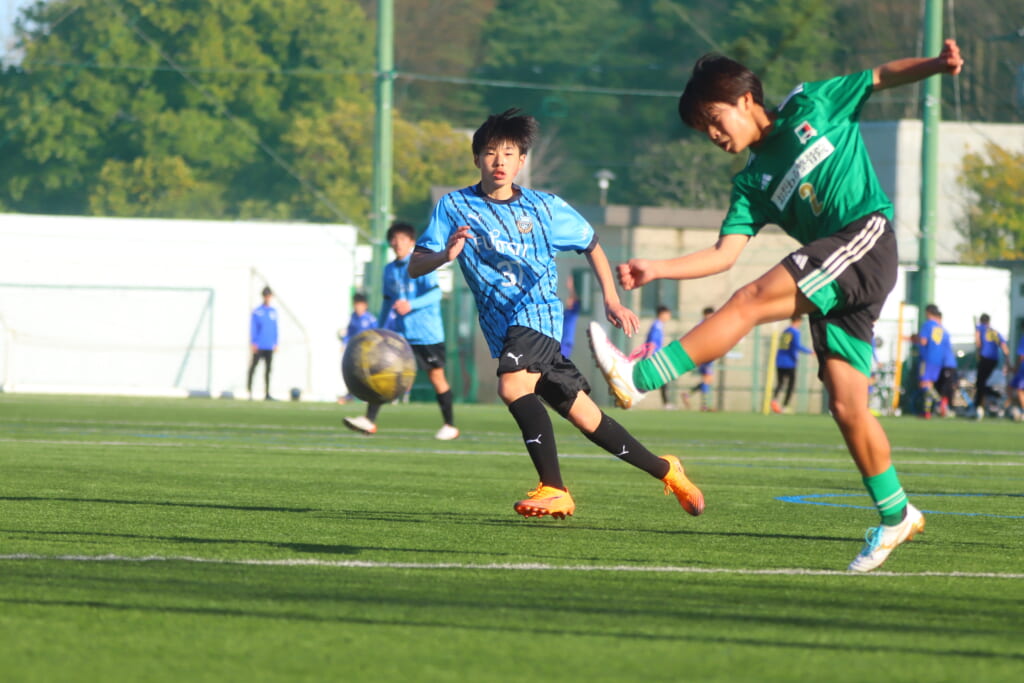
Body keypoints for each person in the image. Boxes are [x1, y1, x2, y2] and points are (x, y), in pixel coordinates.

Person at [588, 40, 964, 572]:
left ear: (745, 99)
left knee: (750, 299)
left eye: (715, 120)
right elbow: (723, 255)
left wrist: (937, 66)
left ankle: (641, 377)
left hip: (864, 240)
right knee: (847, 407)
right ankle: (896, 513)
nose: (714, 135)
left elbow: (880, 76)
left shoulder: (813, 103)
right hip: (835, 275)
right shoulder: (751, 183)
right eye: (703, 130)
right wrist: (659, 268)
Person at [409, 108, 704, 520]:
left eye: (508, 154)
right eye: (491, 152)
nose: (499, 161)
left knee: (513, 387)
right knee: (587, 417)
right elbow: (415, 264)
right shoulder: (454, 206)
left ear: (521, 161)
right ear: (476, 158)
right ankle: (667, 470)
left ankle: (554, 488)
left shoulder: (545, 208)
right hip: (504, 329)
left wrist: (612, 299)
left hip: (537, 316)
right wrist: (445, 254)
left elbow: (592, 244)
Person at [343, 222, 460, 440]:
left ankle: (450, 425)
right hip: (401, 334)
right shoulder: (389, 270)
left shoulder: (422, 265)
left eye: (403, 239)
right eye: (394, 239)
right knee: (382, 369)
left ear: (412, 242)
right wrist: (379, 330)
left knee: (437, 377)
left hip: (427, 334)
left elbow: (436, 294)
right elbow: (388, 301)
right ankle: (369, 420)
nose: (398, 243)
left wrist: (411, 304)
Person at [339, 292, 377, 403]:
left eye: (360, 305)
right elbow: (349, 332)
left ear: (365, 305)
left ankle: (371, 395)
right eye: (356, 305)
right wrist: (344, 343)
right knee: (352, 372)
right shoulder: (353, 317)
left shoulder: (370, 319)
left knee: (367, 374)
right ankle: (350, 395)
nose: (357, 307)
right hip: (355, 350)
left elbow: (376, 334)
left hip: (367, 351)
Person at [771, 314, 812, 413]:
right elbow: (797, 346)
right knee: (791, 385)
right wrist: (810, 351)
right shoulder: (795, 332)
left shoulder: (785, 331)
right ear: (798, 321)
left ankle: (774, 400)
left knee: (780, 383)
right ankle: (784, 406)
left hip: (780, 361)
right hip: (790, 362)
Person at [913, 304, 947, 419]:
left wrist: (915, 339)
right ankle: (926, 411)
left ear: (928, 312)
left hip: (927, 358)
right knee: (929, 385)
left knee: (923, 384)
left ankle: (940, 402)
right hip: (938, 360)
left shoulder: (928, 325)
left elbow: (923, 341)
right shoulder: (940, 327)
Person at [974, 313, 1010, 415]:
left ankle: (979, 406)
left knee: (980, 383)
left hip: (985, 358)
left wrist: (978, 353)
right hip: (994, 360)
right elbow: (1004, 346)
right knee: (982, 382)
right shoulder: (994, 331)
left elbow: (978, 342)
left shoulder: (980, 328)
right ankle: (987, 400)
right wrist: (1007, 361)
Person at [681, 307, 716, 411]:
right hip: (704, 355)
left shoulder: (710, 325)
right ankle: (704, 405)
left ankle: (688, 395)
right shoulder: (702, 325)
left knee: (708, 380)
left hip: (709, 355)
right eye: (710, 315)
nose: (711, 317)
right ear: (705, 315)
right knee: (706, 379)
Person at [247, 285, 278, 400]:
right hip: (259, 345)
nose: (267, 297)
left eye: (269, 295)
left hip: (269, 345)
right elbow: (253, 328)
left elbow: (275, 329)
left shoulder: (273, 312)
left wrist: (275, 342)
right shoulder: (257, 311)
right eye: (265, 295)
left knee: (268, 370)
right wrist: (253, 342)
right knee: (253, 368)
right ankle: (249, 391)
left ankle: (267, 393)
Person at [646, 306, 675, 408]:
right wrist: (648, 356)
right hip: (653, 358)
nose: (669, 316)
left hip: (656, 357)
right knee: (648, 381)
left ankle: (666, 403)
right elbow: (652, 342)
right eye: (667, 314)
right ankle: (666, 403)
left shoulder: (659, 325)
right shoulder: (656, 326)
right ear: (661, 314)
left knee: (662, 380)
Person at [935, 311, 958, 418]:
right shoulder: (940, 331)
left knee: (947, 387)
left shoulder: (940, 331)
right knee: (940, 387)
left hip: (947, 364)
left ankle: (946, 408)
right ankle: (942, 407)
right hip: (942, 364)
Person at [560, 276, 582, 359]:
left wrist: (571, 287)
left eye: (570, 299)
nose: (568, 300)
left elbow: (577, 301)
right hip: (560, 343)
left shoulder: (573, 313)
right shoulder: (565, 312)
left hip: (565, 344)